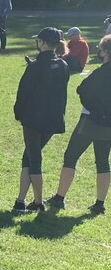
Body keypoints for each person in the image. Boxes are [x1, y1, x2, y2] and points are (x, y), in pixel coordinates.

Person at [46, 35, 111, 215]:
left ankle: (59, 198)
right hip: (109, 125)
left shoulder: (101, 72)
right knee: (103, 162)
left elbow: (82, 89)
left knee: (71, 157)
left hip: (90, 122)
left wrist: (96, 109)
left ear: (105, 52)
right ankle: (100, 204)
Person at [12, 27, 69, 212]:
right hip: (52, 120)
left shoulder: (35, 66)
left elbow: (23, 93)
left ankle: (38, 202)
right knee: (28, 156)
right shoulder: (62, 65)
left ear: (43, 43)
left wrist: (19, 113)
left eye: (39, 41)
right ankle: (20, 200)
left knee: (34, 158)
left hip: (33, 119)